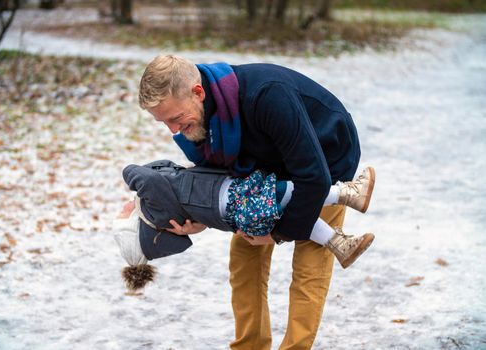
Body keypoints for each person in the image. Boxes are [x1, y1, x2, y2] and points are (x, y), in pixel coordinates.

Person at [138, 55, 365, 349]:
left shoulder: (267, 95)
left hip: (325, 166)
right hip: (264, 171)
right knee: (244, 256)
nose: (172, 130)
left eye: (175, 118)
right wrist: (199, 218)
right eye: (163, 121)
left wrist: (278, 232)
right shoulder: (197, 124)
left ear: (198, 92)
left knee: (310, 261)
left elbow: (314, 178)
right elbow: (218, 183)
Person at [114, 160, 375, 291]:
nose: (123, 208)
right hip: (235, 198)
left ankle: (339, 244)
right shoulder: (154, 208)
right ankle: (347, 194)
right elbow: (147, 177)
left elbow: (168, 170)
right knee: (290, 191)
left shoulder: (167, 224)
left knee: (297, 213)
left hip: (239, 215)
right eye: (123, 215)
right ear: (135, 227)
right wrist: (128, 173)